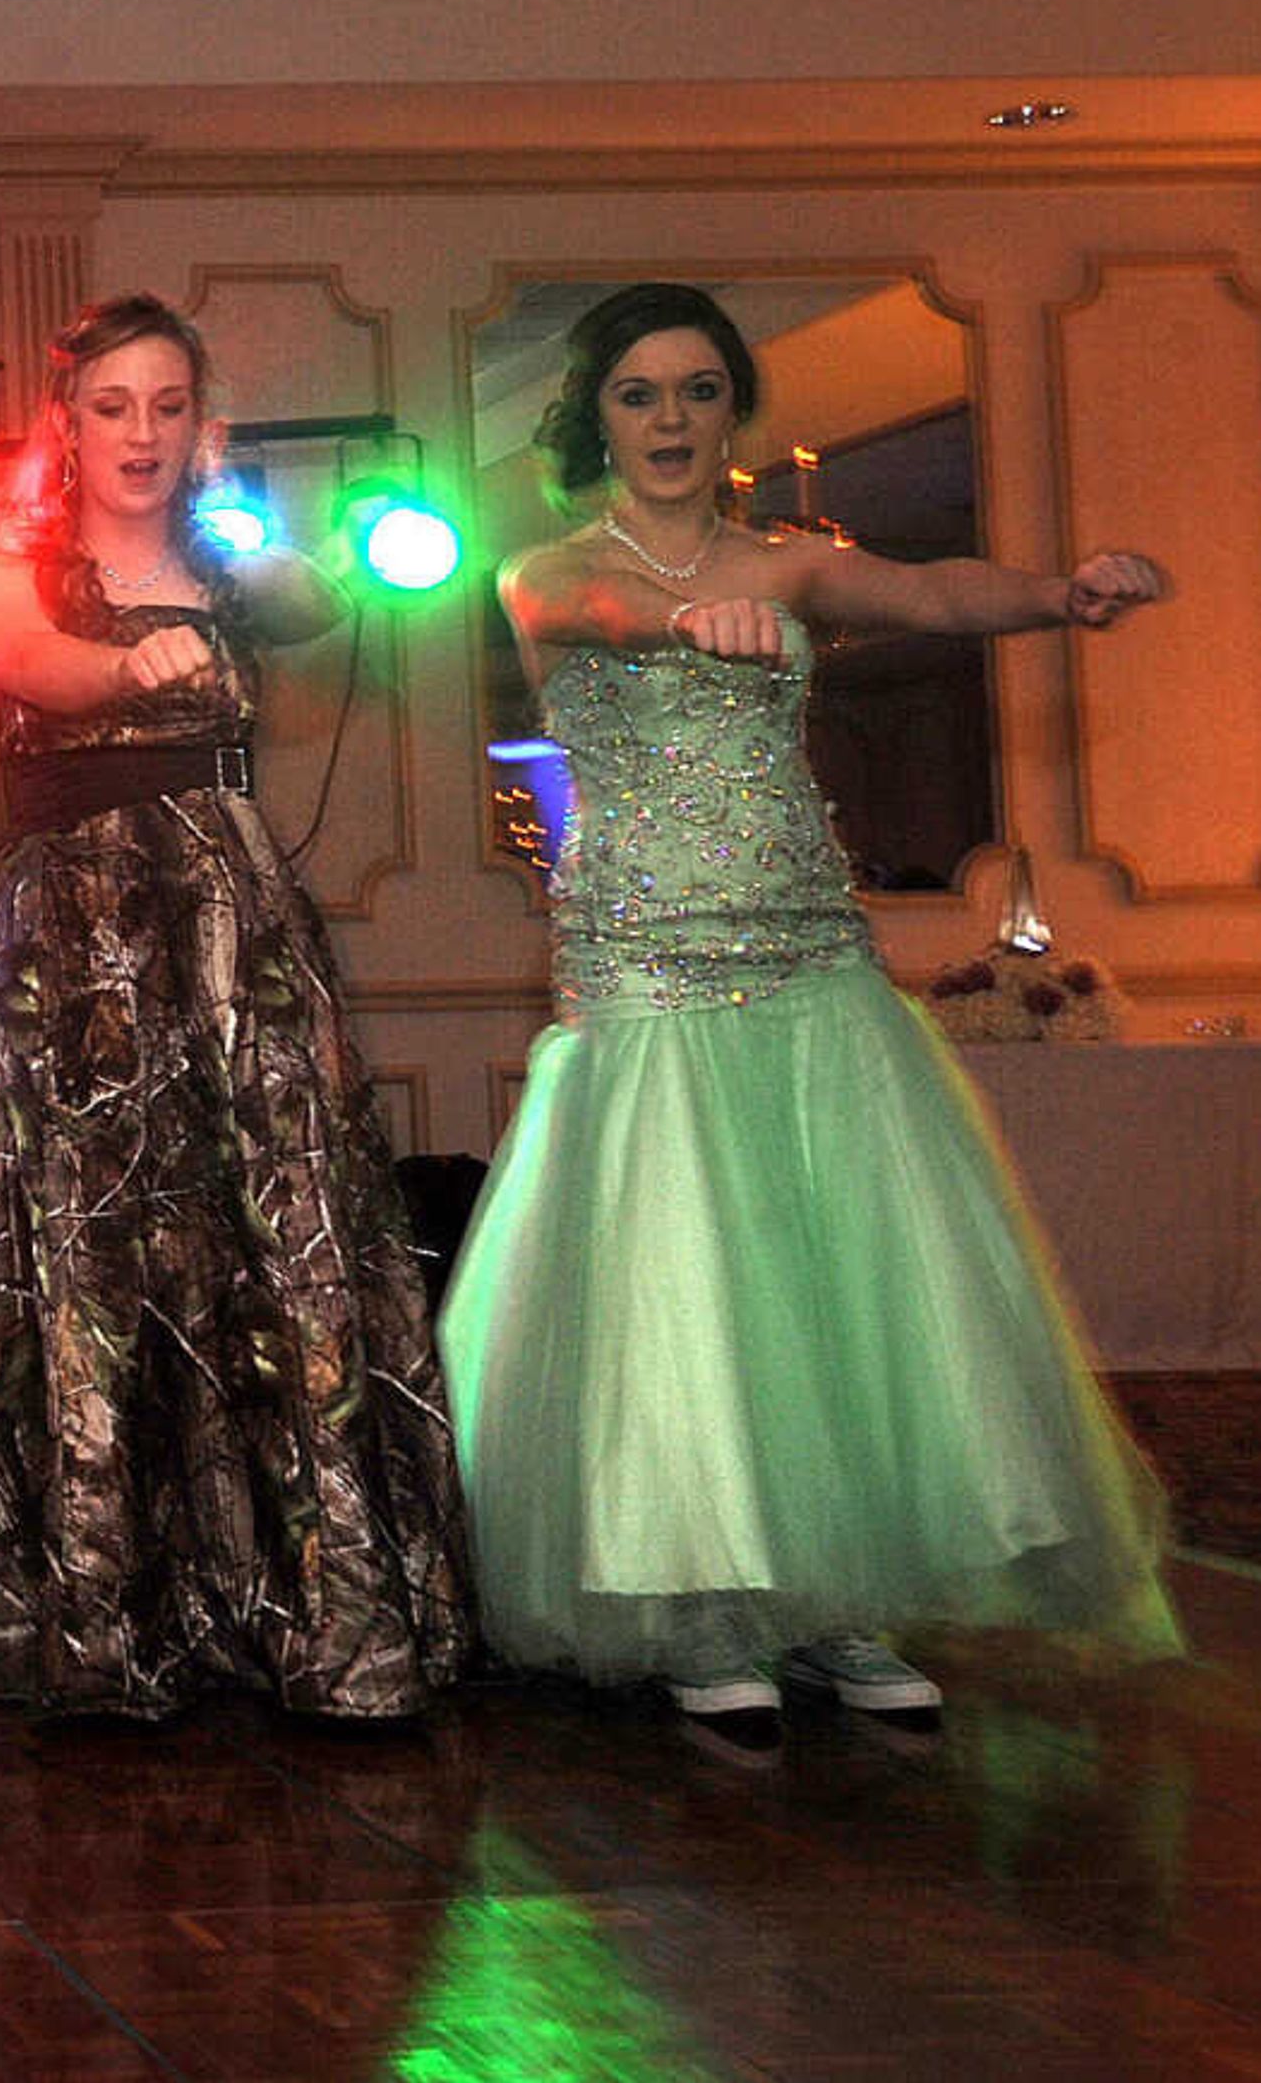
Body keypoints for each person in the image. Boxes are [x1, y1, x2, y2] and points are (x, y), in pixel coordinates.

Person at [441, 279, 1181, 1735]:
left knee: (837, 1280)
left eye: (698, 392)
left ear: (731, 414)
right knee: (689, 1288)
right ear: (598, 413)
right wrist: (687, 619)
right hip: (649, 965)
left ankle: (838, 1604)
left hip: (808, 954)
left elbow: (925, 590)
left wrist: (1061, 591)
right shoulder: (545, 572)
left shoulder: (787, 563)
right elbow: (600, 611)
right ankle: (703, 1603)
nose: (669, 419)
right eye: (640, 393)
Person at [0, 291, 475, 1722]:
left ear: (197, 425)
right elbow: (14, 660)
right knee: (82, 1257)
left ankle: (301, 1606)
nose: (140, 433)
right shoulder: (7, 564)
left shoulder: (230, 561)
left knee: (264, 1241)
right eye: (113, 407)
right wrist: (126, 661)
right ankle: (97, 1608)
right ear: (70, 426)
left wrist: (258, 545)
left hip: (229, 940)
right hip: (71, 955)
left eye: (168, 407)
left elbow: (324, 603)